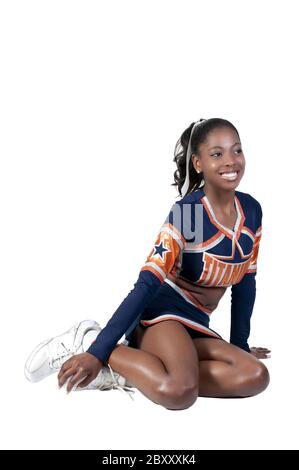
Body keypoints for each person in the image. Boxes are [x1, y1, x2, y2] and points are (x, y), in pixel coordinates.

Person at [24, 117, 271, 410]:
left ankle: (142, 373)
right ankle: (89, 342)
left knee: (254, 375)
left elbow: (245, 284)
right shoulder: (188, 214)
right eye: (217, 154)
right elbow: (147, 283)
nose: (231, 161)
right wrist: (98, 351)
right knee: (179, 392)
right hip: (161, 315)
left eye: (237, 150)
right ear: (198, 163)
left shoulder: (252, 210)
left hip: (197, 324)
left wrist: (240, 346)